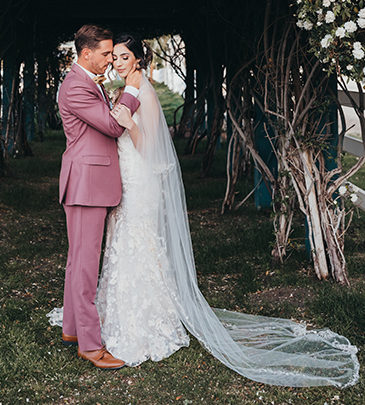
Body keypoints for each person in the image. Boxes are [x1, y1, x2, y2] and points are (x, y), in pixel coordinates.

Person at [94, 32, 359, 387]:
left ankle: (147, 318)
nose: (117, 62)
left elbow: (153, 147)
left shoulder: (145, 92)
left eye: (124, 57)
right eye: (115, 58)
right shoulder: (124, 90)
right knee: (121, 239)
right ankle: (118, 312)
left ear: (139, 60)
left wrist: (128, 126)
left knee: (139, 241)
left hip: (141, 178)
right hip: (126, 176)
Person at [56, 24, 141, 370]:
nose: (111, 59)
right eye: (106, 53)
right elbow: (112, 125)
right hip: (86, 184)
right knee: (86, 265)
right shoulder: (76, 86)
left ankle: (73, 329)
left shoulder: (86, 81)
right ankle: (91, 346)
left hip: (89, 181)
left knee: (79, 260)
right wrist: (132, 92)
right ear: (86, 53)